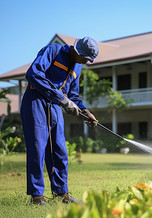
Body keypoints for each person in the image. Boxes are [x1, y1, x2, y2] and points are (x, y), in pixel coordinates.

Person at [21, 36, 99, 205]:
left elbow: (73, 96)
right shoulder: (53, 51)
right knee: (37, 147)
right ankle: (36, 196)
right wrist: (61, 98)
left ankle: (62, 193)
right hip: (36, 100)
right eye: (85, 58)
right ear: (77, 51)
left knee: (60, 150)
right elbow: (33, 73)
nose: (86, 62)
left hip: (55, 106)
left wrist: (85, 112)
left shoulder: (77, 67)